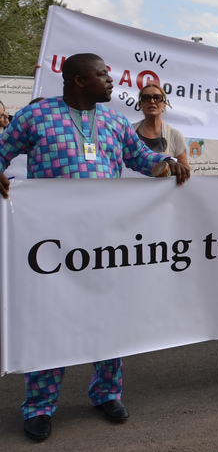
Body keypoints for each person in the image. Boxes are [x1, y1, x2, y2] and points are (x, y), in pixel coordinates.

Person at [0, 53, 190, 441]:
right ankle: (39, 406)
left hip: (103, 244)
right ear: (78, 80)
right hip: (51, 247)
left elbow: (142, 159)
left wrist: (169, 162)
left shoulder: (115, 121)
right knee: (50, 322)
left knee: (108, 317)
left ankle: (106, 393)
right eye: (102, 74)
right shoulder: (36, 117)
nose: (110, 80)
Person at [132, 83, 189, 167]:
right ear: (140, 104)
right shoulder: (129, 131)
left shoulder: (175, 135)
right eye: (146, 98)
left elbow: (185, 171)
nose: (152, 101)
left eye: (157, 98)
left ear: (164, 104)